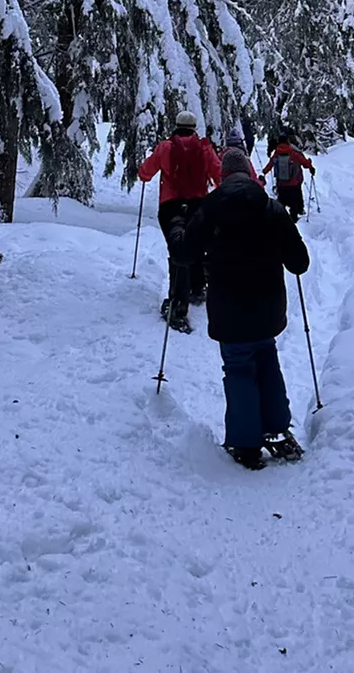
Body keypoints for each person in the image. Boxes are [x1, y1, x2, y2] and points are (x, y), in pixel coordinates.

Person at [174, 147, 309, 470]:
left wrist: (179, 226)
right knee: (266, 359)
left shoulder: (210, 209)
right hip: (267, 307)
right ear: (249, 174)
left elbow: (184, 254)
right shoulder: (271, 208)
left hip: (229, 309)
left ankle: (246, 444)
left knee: (238, 368)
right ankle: (277, 430)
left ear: (222, 177)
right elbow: (300, 263)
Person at [138, 110, 222, 333]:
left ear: (176, 125)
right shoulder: (205, 149)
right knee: (196, 245)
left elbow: (145, 173)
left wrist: (147, 175)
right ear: (195, 127)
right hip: (198, 207)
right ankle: (197, 289)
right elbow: (219, 176)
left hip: (170, 208)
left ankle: (177, 306)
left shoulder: (165, 147)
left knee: (178, 251)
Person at [262, 131, 315, 221]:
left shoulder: (276, 154)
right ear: (287, 141)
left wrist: (263, 173)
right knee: (293, 203)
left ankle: (281, 220)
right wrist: (310, 166)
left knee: (281, 202)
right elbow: (305, 163)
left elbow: (269, 166)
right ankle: (294, 219)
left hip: (281, 184)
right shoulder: (293, 153)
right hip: (293, 184)